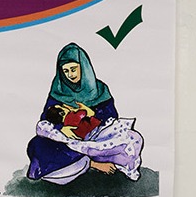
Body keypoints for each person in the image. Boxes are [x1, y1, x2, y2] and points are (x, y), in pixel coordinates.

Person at [24, 42, 146, 183]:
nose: (70, 75)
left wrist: (91, 114)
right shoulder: (58, 91)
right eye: (66, 71)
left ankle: (92, 159)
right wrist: (62, 129)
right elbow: (47, 118)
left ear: (83, 67)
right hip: (68, 139)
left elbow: (111, 116)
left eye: (74, 69)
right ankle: (91, 164)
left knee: (131, 139)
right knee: (37, 145)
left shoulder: (99, 89)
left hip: (97, 136)